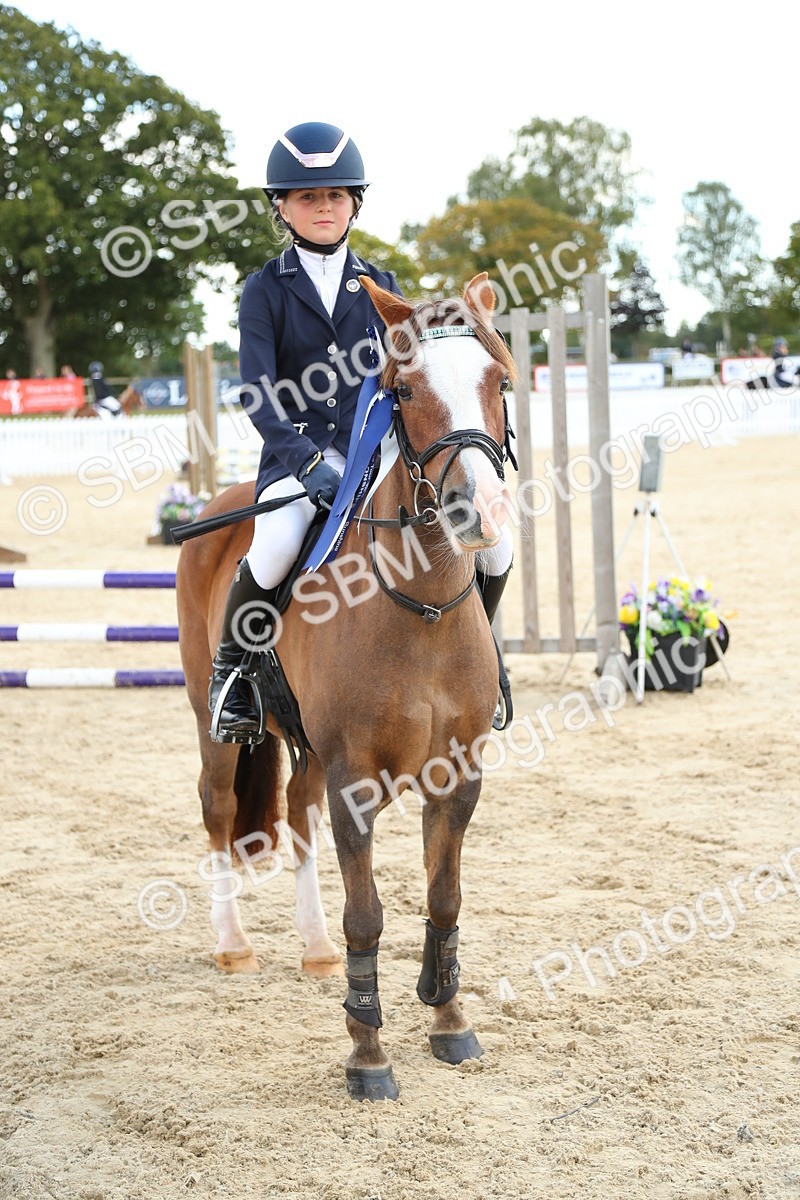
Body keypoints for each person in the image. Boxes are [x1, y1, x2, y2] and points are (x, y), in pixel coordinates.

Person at [208, 121, 513, 743]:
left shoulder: (383, 287)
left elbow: (397, 382)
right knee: (273, 544)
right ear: (283, 208)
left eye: (335, 196)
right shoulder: (265, 290)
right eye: (307, 198)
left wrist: (374, 455)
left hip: (371, 458)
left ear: (354, 203)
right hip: (294, 465)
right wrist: (304, 462)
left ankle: (486, 663)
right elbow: (257, 393)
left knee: (496, 542)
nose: (323, 207)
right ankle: (232, 675)